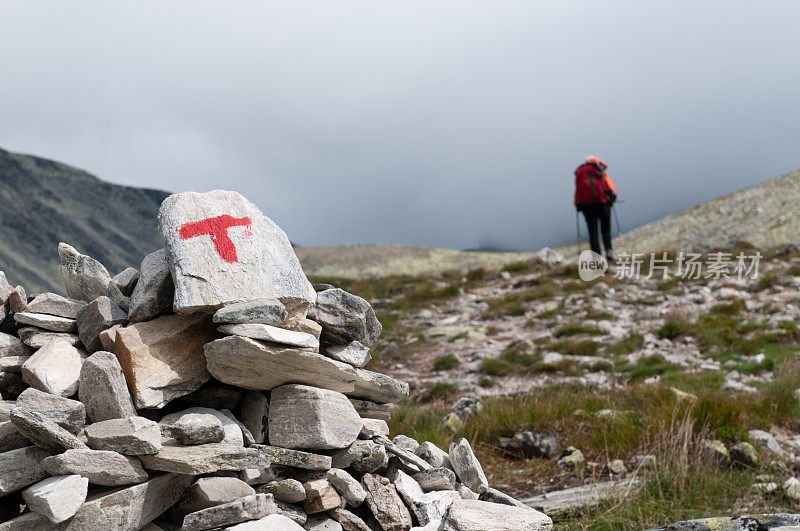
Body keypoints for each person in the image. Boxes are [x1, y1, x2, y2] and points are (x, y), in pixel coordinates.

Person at [574, 156, 617, 262]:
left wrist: (578, 205)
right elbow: (607, 185)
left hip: (587, 207)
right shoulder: (598, 168)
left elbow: (578, 190)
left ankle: (597, 259)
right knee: (606, 230)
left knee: (593, 233)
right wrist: (612, 198)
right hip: (603, 204)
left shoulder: (580, 172)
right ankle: (609, 253)